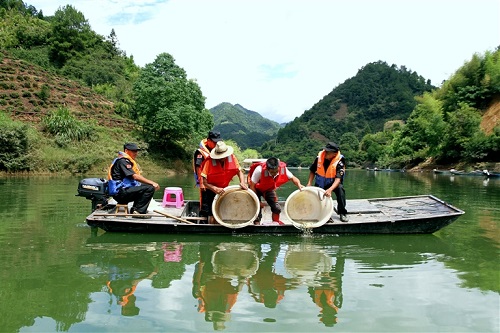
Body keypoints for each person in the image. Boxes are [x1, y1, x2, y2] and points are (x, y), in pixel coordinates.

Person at [107, 143, 161, 218]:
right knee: (150, 188)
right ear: (126, 151)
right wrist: (152, 183)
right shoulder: (123, 161)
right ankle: (139, 211)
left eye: (136, 151)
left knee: (144, 187)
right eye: (133, 151)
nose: (135, 153)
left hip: (123, 191)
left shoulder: (126, 161)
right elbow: (135, 176)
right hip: (120, 193)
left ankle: (135, 210)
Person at [200, 141, 247, 224]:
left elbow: (239, 171)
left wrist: (242, 182)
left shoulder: (232, 158)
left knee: (223, 209)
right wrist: (215, 188)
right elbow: (204, 181)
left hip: (225, 189)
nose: (222, 158)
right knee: (212, 213)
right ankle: (212, 229)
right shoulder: (209, 162)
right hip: (211, 189)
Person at [248, 157, 303, 225]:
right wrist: (257, 202)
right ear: (267, 169)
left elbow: (293, 178)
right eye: (272, 172)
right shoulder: (259, 170)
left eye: (276, 171)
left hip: (268, 189)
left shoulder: (283, 169)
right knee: (257, 208)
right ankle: (257, 224)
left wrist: (299, 185)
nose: (275, 173)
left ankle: (275, 223)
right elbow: (252, 186)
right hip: (255, 189)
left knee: (277, 208)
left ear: (278, 167)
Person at [307, 142, 349, 222]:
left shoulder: (340, 161)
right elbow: (312, 171)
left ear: (334, 154)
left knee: (340, 189)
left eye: (328, 152)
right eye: (325, 150)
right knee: (316, 195)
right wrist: (309, 183)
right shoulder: (319, 157)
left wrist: (330, 189)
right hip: (321, 183)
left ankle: (342, 212)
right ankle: (324, 213)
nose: (325, 153)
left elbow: (338, 179)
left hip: (333, 183)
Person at [193, 131, 222, 200]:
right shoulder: (200, 152)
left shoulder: (217, 151)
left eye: (217, 142)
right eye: (214, 142)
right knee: (205, 204)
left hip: (216, 183)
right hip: (206, 183)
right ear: (209, 141)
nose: (216, 144)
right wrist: (201, 183)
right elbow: (198, 167)